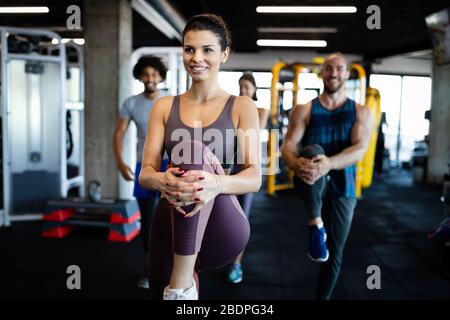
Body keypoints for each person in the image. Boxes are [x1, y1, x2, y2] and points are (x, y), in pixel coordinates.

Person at [139, 14, 261, 300]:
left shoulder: (242, 106)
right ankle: (179, 286)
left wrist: (214, 184)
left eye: (207, 50)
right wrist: (163, 179)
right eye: (189, 48)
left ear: (224, 54)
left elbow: (254, 176)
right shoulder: (164, 106)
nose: (197, 57)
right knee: (158, 290)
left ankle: (181, 287)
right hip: (171, 217)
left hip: (221, 223)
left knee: (191, 151)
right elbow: (145, 173)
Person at [281, 53, 373, 299]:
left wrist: (329, 163)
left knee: (334, 252)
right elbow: (288, 146)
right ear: (321, 73)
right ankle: (315, 222)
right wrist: (295, 163)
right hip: (310, 179)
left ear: (347, 73)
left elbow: (360, 149)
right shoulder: (305, 109)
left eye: (339, 69)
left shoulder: (361, 112)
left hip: (344, 185)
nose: (334, 73)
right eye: (329, 68)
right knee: (312, 151)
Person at [113, 55, 168, 289]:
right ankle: (150, 270)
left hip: (170, 165)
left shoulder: (171, 100)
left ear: (161, 77)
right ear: (139, 76)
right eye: (146, 74)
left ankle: (173, 269)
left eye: (154, 74)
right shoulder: (131, 103)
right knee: (147, 220)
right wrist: (120, 162)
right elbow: (118, 134)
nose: (150, 79)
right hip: (143, 165)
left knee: (171, 220)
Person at [228, 72, 269, 284]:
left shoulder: (260, 110)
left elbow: (252, 131)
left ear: (254, 90)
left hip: (248, 170)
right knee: (222, 215)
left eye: (247, 87)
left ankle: (237, 264)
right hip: (229, 168)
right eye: (241, 87)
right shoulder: (232, 108)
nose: (244, 91)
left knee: (243, 217)